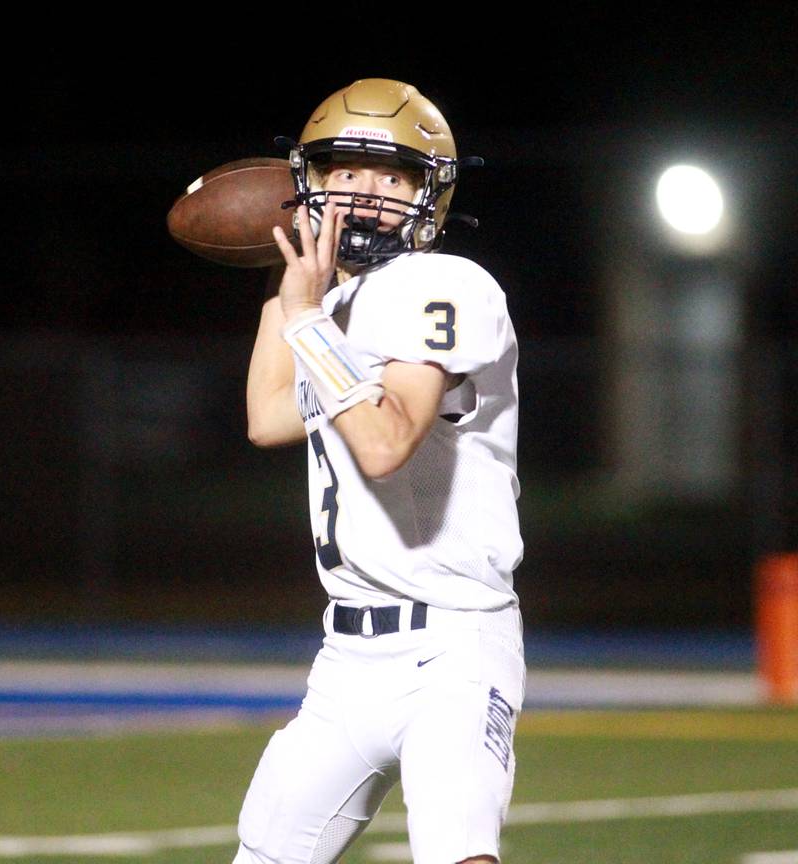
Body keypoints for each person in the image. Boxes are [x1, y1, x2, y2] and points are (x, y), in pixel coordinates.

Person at [235, 78, 524, 864]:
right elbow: (267, 418)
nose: (363, 195)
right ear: (309, 186)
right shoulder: (332, 307)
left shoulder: (449, 283)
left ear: (429, 196)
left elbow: (386, 440)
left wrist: (305, 318)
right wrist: (287, 282)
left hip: (453, 644)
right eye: (343, 173)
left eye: (390, 176)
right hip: (347, 658)